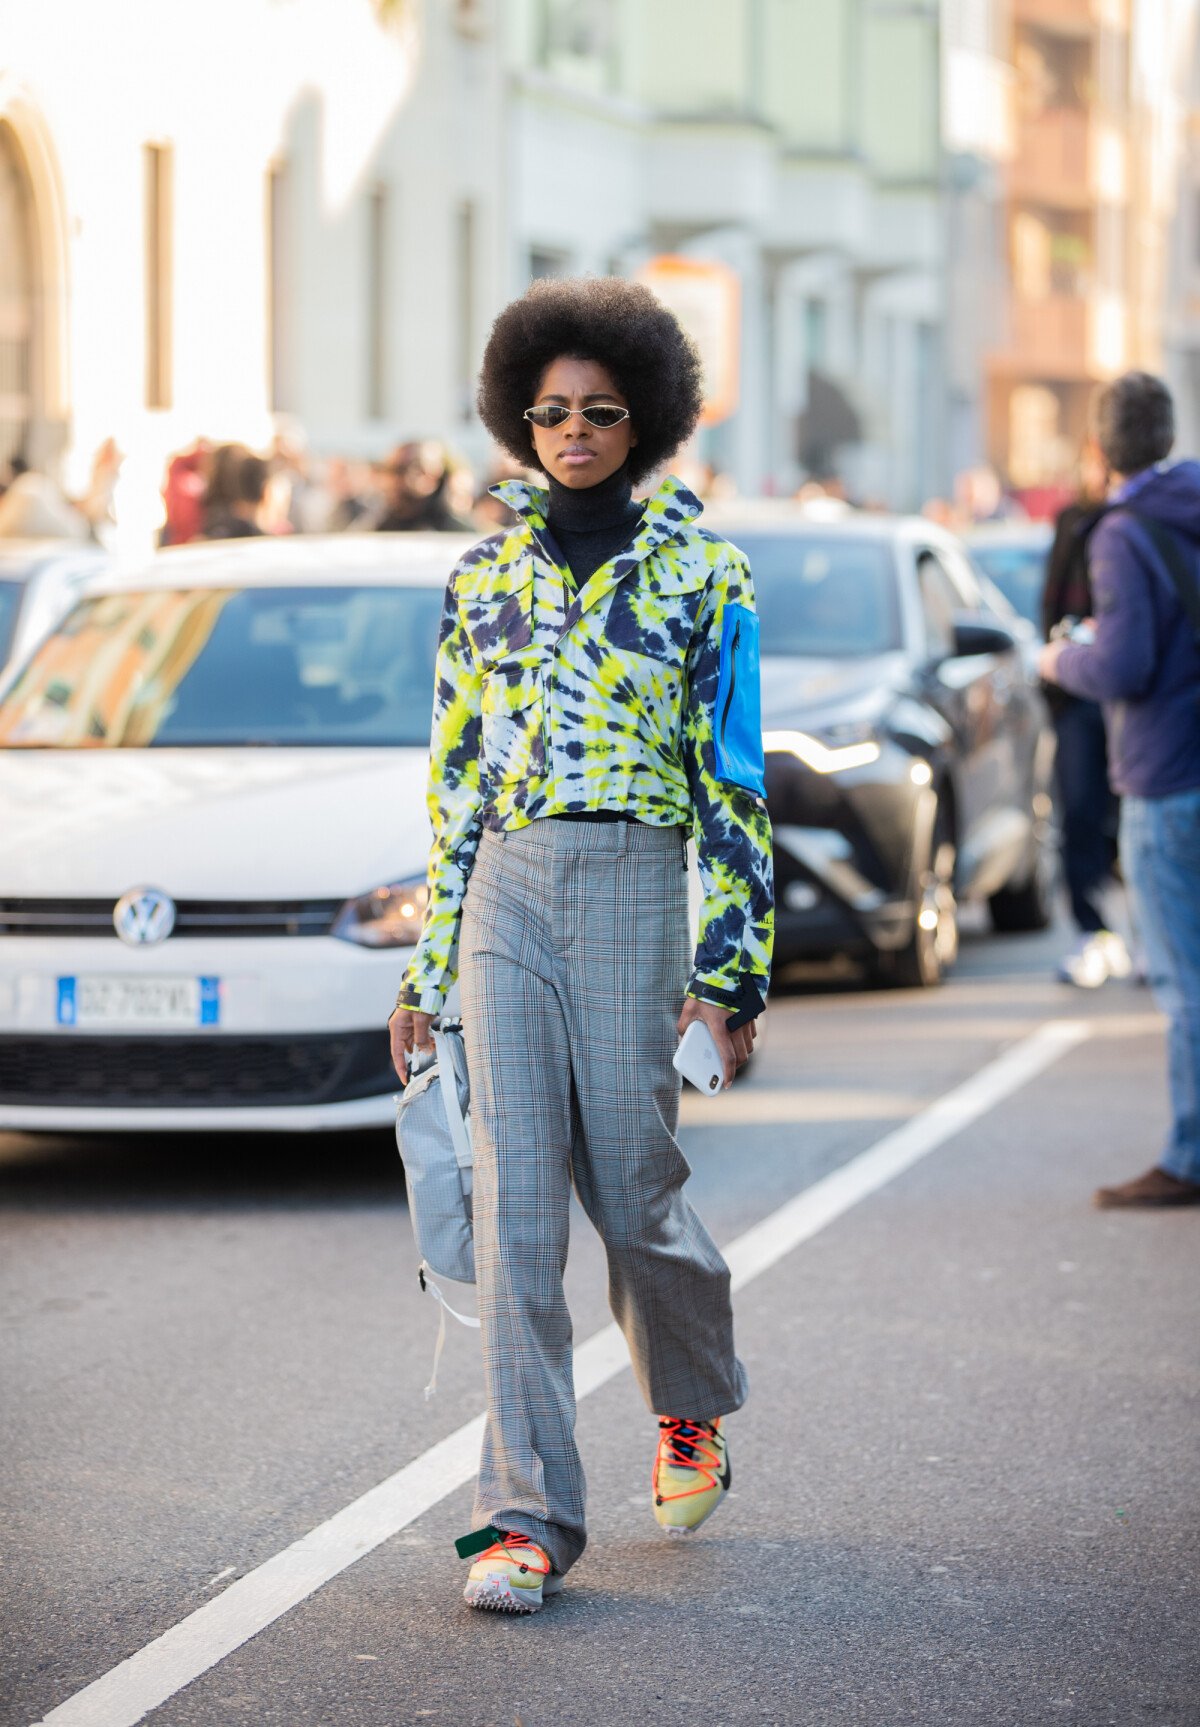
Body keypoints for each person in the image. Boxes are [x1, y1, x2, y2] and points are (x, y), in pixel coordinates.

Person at [389, 276, 774, 1611]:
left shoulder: (707, 573)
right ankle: (523, 1516)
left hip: (632, 879)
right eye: (549, 412)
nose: (571, 430)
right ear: (518, 420)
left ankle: (686, 1399)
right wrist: (427, 967)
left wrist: (733, 975)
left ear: (645, 418)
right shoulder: (480, 574)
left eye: (600, 411)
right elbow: (451, 787)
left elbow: (733, 781)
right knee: (517, 1210)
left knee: (638, 1180)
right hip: (505, 884)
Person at [1039, 372, 1200, 1208]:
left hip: (1168, 775)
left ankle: (1189, 1156)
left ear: (1099, 449)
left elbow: (1125, 664)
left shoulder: (1121, 532)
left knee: (1184, 983)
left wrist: (1061, 657)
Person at [1041, 440, 1130, 987]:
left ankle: (1141, 933)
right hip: (1078, 692)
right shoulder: (1072, 523)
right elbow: (1052, 606)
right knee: (1079, 811)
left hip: (1132, 695)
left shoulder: (1138, 524)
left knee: (1133, 812)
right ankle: (1094, 931)